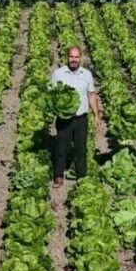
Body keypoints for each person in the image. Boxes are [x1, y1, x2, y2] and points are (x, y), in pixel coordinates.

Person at [50, 46, 101, 187]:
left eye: (76, 57)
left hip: (81, 118)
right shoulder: (58, 74)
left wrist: (96, 115)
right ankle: (59, 176)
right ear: (67, 57)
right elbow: (52, 95)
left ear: (81, 58)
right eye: (71, 57)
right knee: (61, 148)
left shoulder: (87, 74)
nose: (74, 60)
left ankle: (81, 176)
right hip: (64, 119)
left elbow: (91, 95)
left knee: (81, 149)